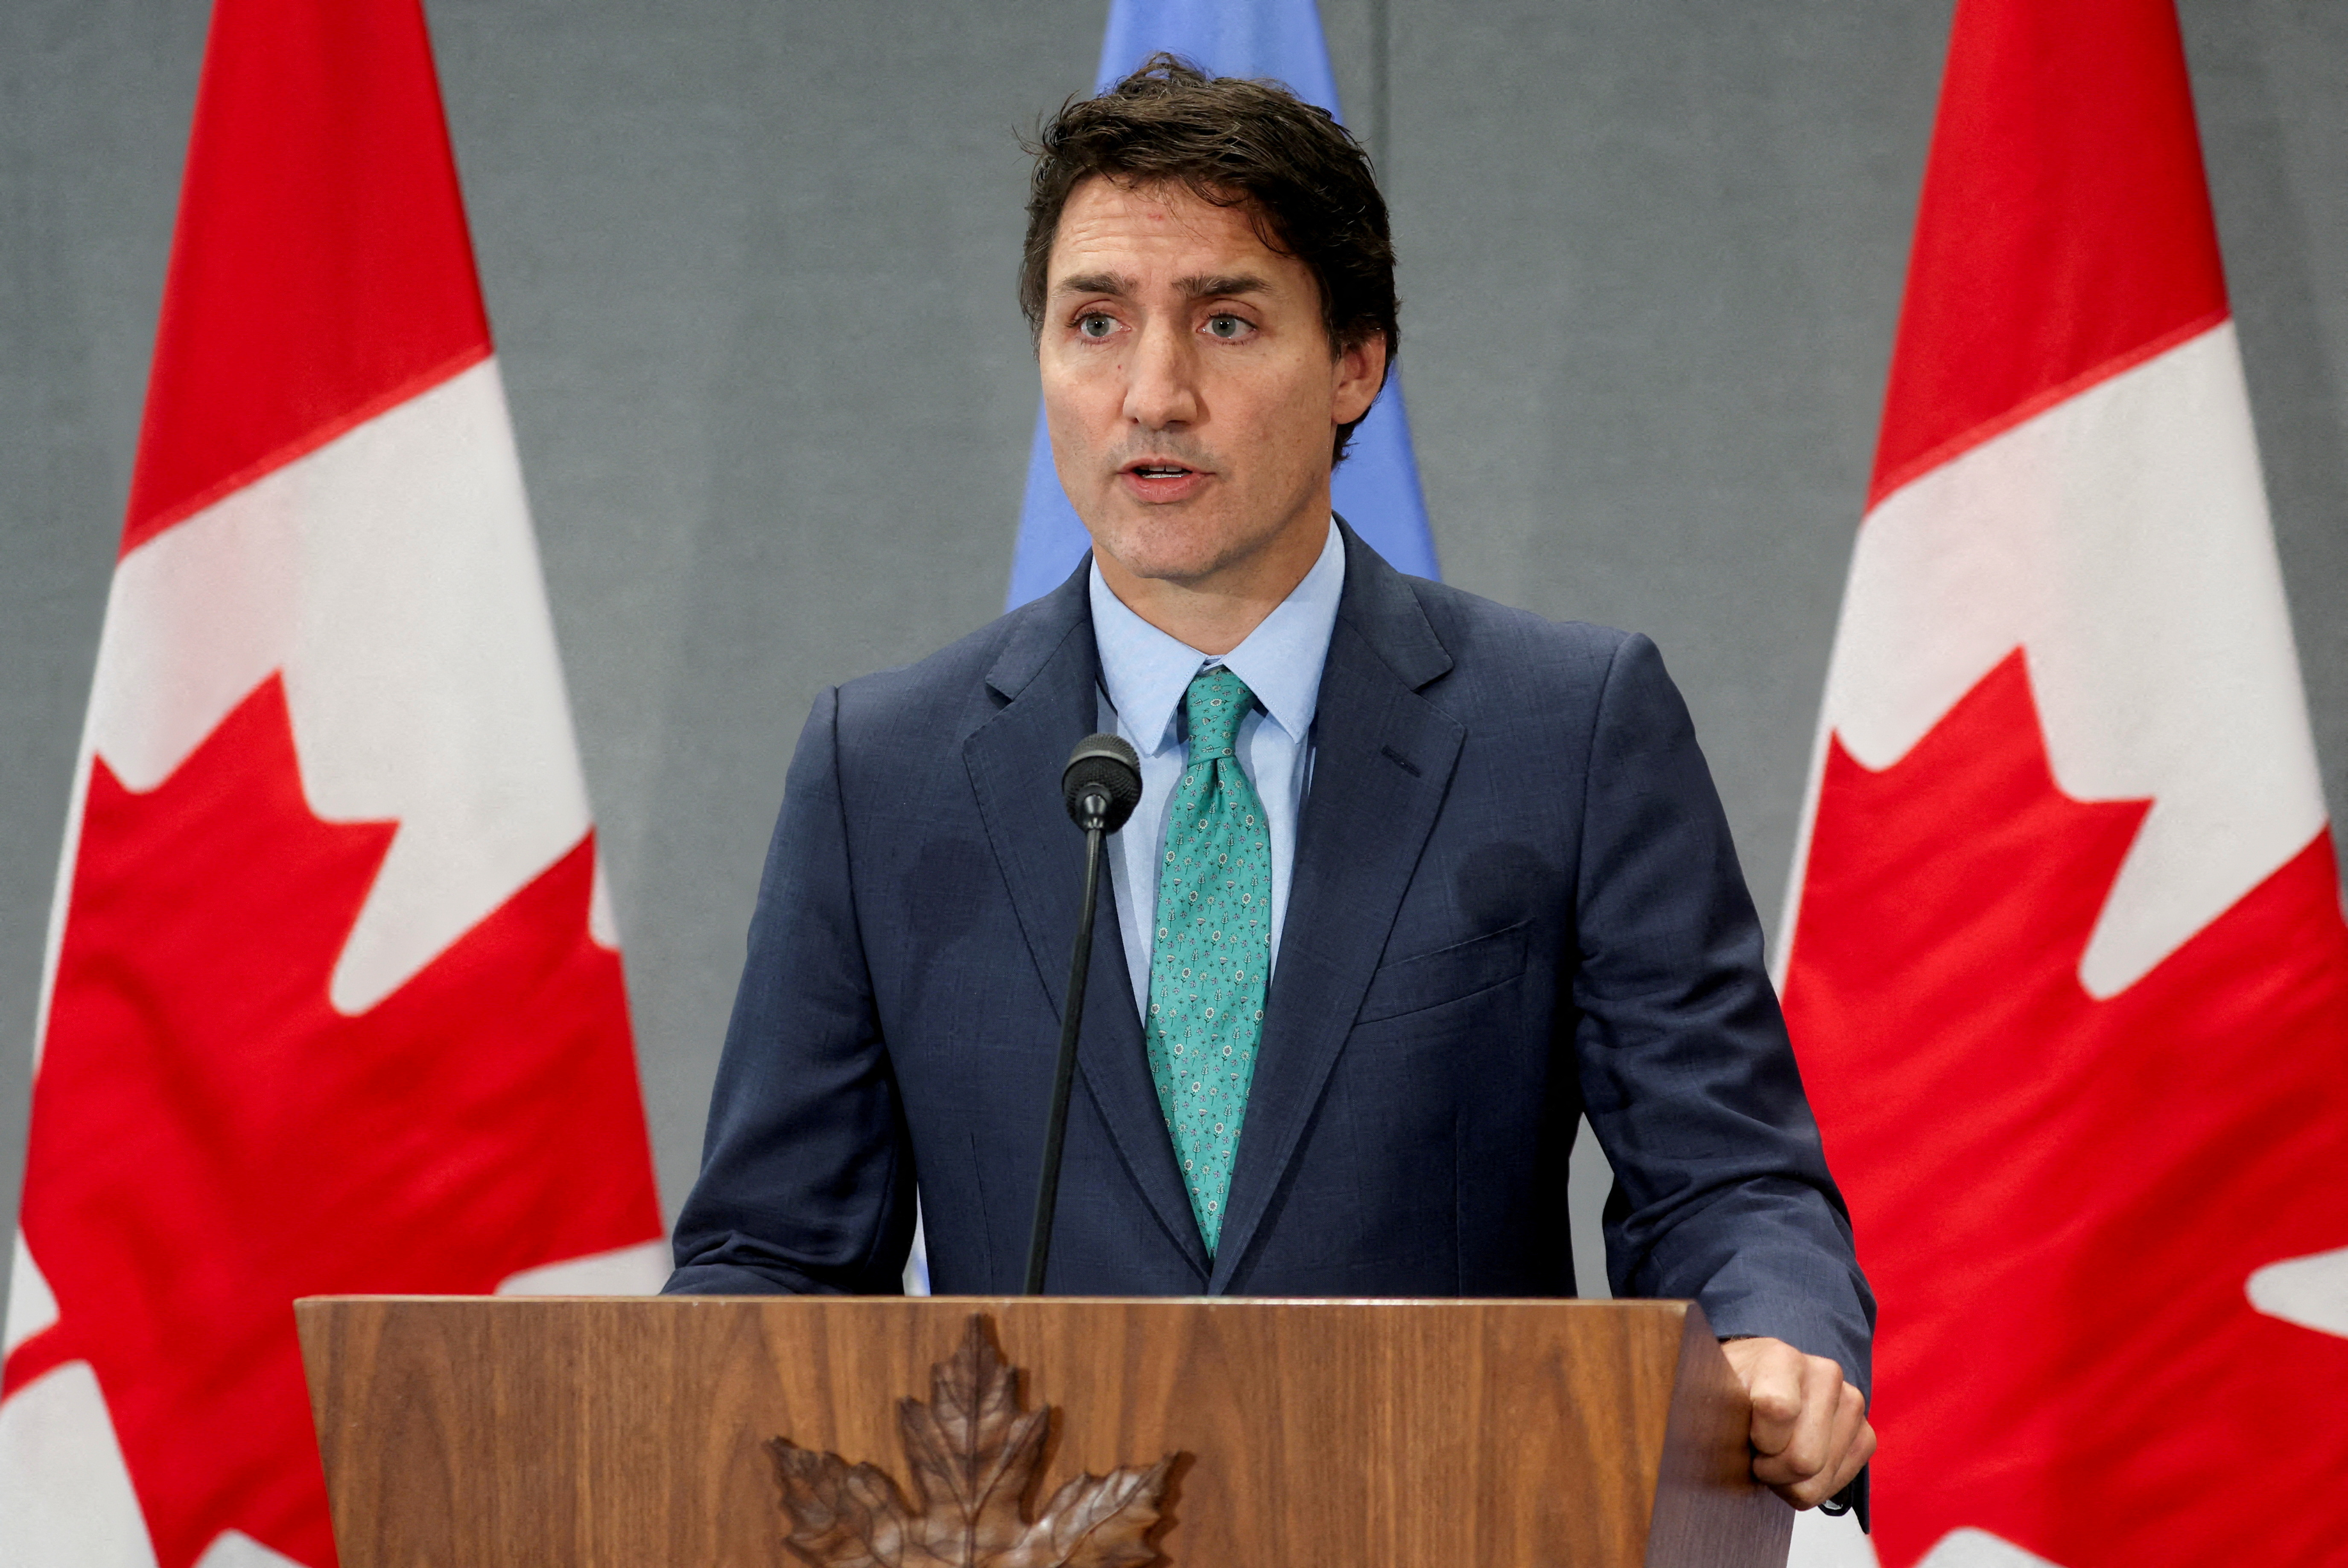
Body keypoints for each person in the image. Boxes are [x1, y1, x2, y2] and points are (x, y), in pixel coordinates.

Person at [667, 56, 1876, 1514]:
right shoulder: (886, 768)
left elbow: (1720, 1176)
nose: (1152, 393)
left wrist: (1773, 1332)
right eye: (1094, 322)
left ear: (1354, 361)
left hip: (1463, 1522)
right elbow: (773, 1262)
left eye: (1225, 322)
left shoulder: (1564, 727)